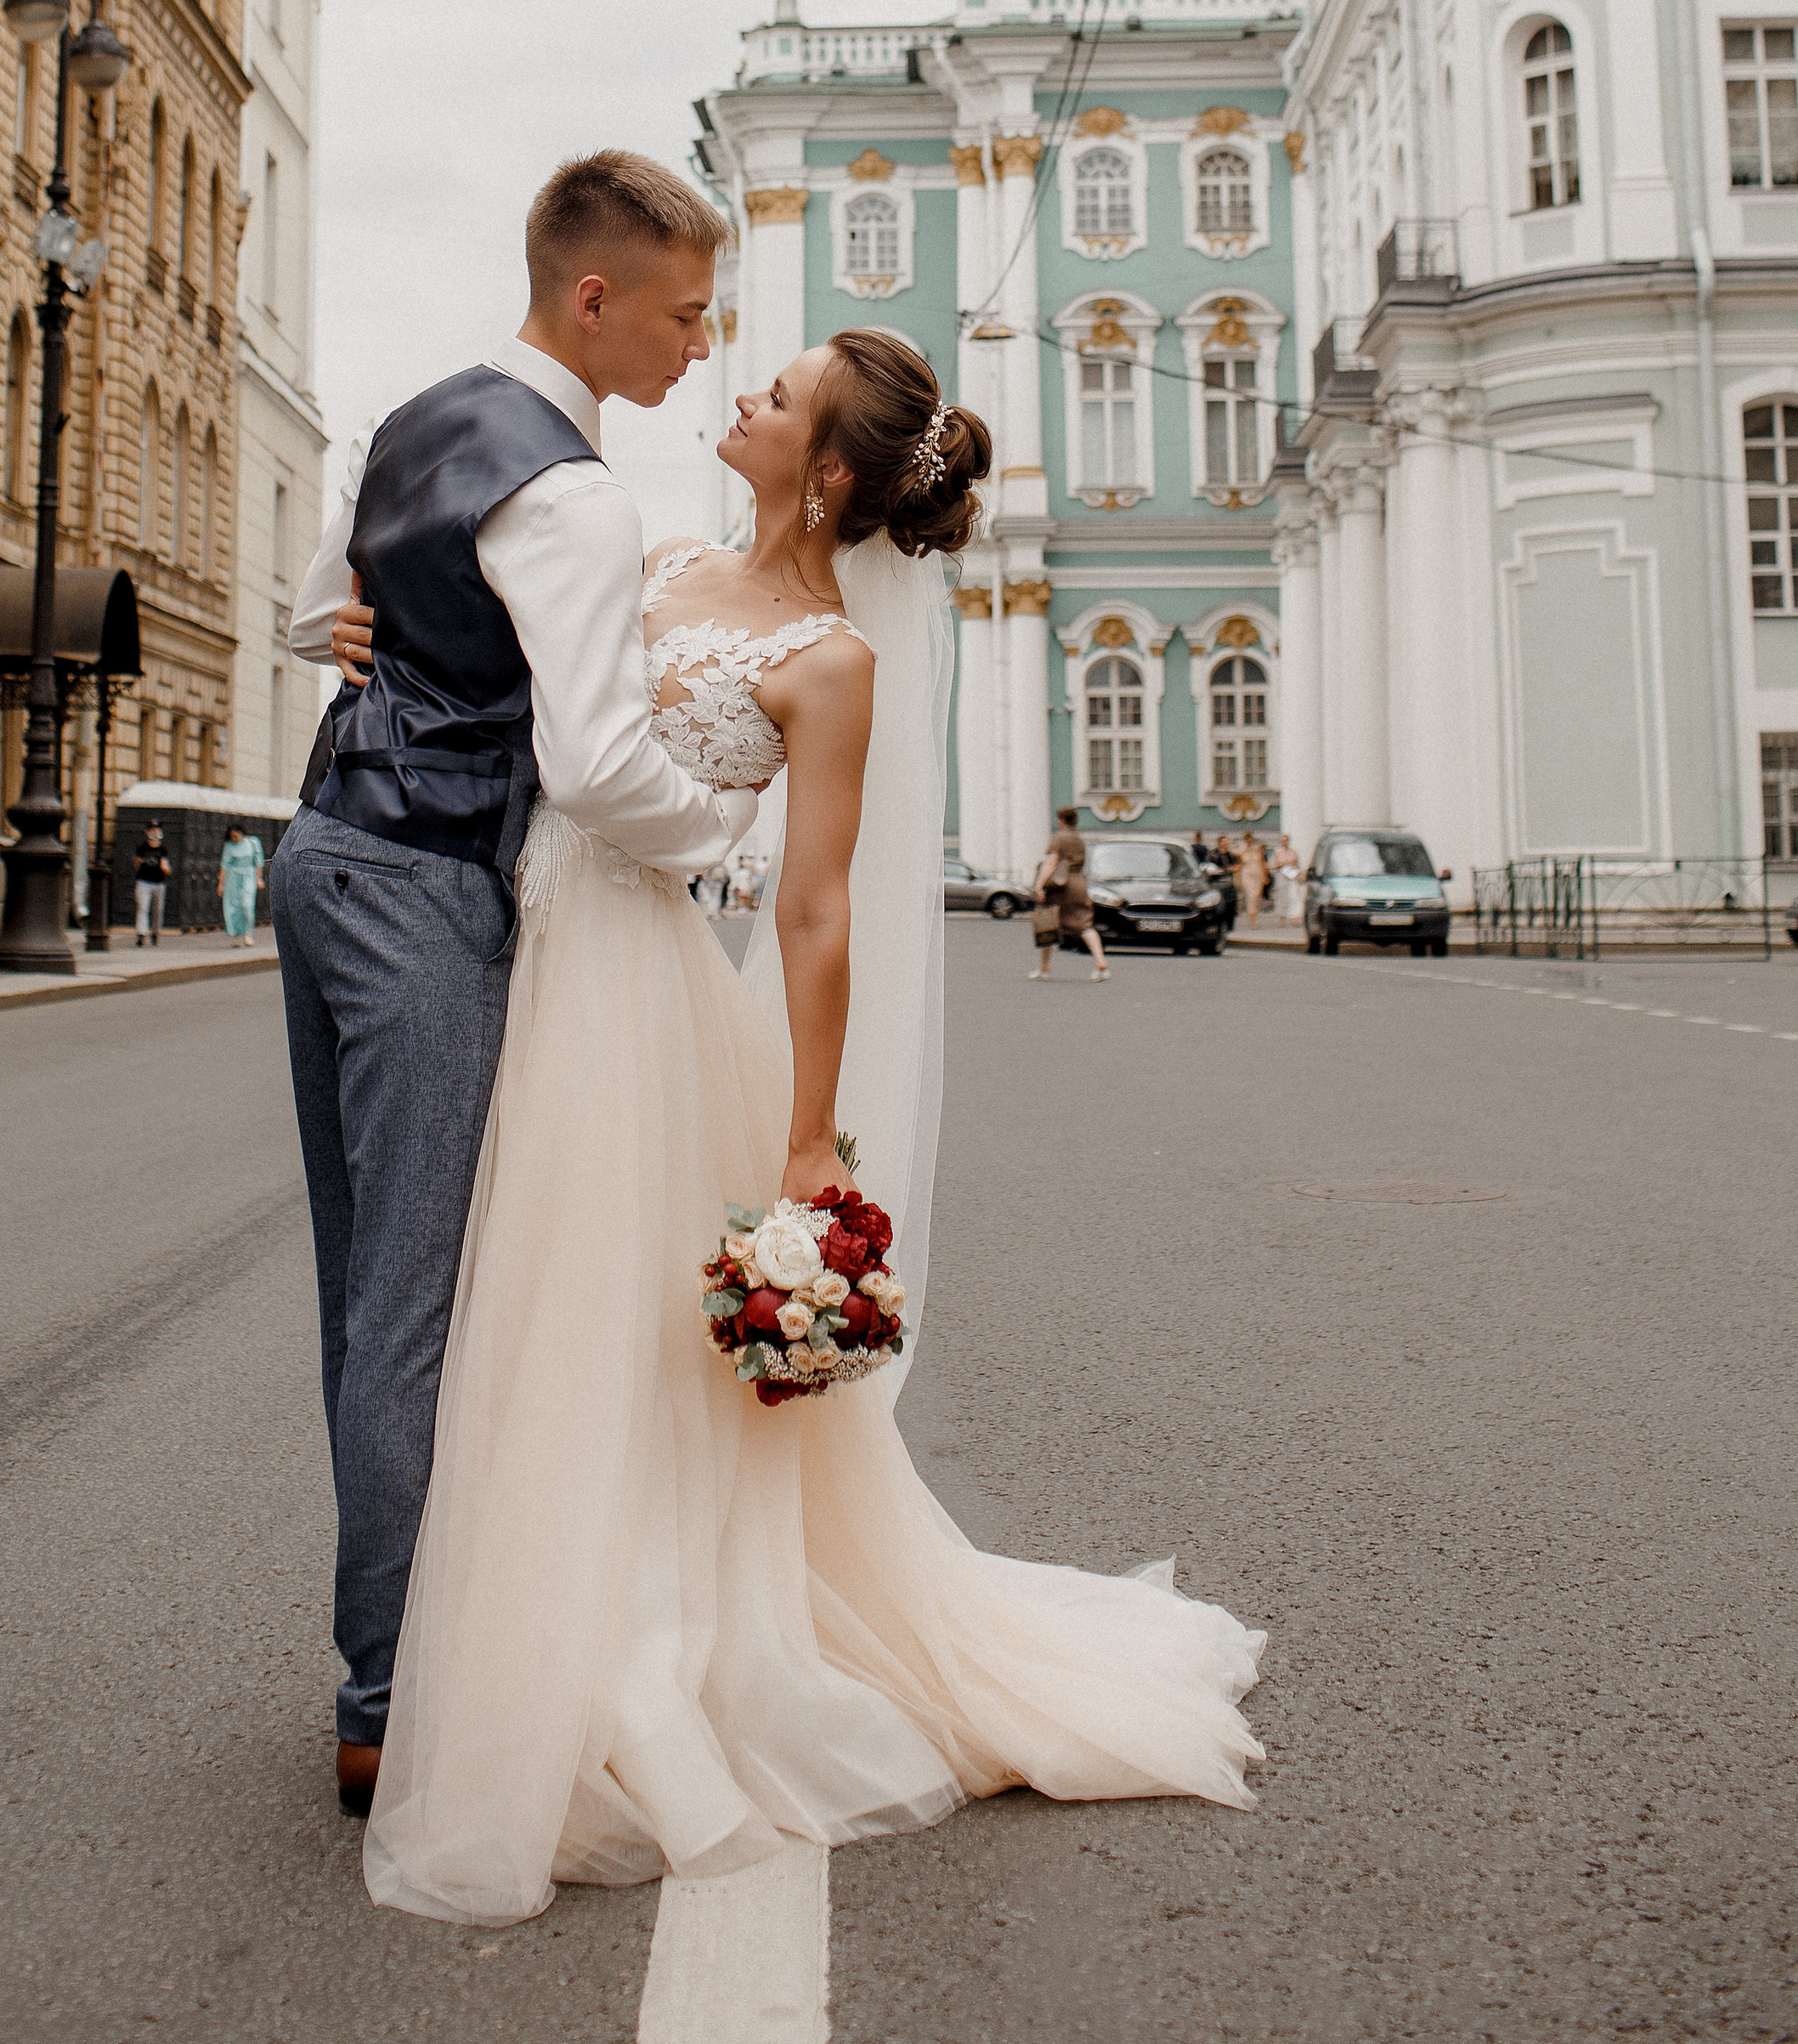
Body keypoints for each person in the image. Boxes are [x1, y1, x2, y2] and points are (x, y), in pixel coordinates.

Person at [355, 320, 1264, 1926]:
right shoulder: (653, 560)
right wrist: (376, 628)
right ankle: (508, 1636)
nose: (745, 396)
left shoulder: (827, 661)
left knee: (574, 1323)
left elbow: (818, 912)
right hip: (519, 941)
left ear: (828, 469)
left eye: (777, 397)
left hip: (632, 997)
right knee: (516, 1309)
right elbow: (515, 677)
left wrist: (808, 1136)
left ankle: (596, 1659)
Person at [271, 153, 760, 1825]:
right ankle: (392, 1701)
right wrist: (720, 847)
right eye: (687, 312)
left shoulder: (423, 419)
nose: (705, 342)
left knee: (366, 1297)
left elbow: (337, 609)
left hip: (322, 857)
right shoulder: (567, 492)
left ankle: (387, 1663)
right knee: (418, 1308)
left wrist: (326, 639)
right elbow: (598, 757)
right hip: (423, 891)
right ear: (593, 295)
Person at [1032, 805, 1108, 982]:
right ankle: (1100, 962)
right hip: (1078, 883)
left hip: (1060, 885)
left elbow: (1051, 863)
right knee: (1084, 925)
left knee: (1047, 924)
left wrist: (1039, 886)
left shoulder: (1059, 837)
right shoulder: (1079, 839)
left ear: (1061, 820)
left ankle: (1044, 967)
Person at [218, 822, 265, 943]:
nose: (234, 839)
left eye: (235, 836)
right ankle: (236, 934)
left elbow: (258, 862)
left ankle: (247, 933)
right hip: (233, 877)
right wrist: (221, 884)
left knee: (247, 905)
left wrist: (258, 879)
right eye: (232, 836)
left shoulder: (253, 843)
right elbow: (225, 865)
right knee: (233, 906)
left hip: (248, 875)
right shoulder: (229, 846)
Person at [133, 819, 172, 944]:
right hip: (144, 881)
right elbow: (136, 865)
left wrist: (165, 868)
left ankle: (155, 933)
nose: (155, 832)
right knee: (142, 908)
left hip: (159, 882)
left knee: (157, 910)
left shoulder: (163, 849)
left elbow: (166, 866)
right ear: (147, 831)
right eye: (152, 830)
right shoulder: (141, 848)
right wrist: (138, 862)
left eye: (157, 830)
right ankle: (141, 934)